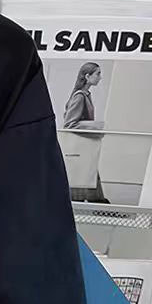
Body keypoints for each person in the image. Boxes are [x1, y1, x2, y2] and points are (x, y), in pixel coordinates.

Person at [62, 62, 108, 202]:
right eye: (97, 74)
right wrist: (96, 130)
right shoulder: (80, 97)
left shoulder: (85, 95)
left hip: (83, 146)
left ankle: (97, 204)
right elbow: (69, 124)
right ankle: (99, 205)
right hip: (81, 146)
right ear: (87, 76)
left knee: (87, 175)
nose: (100, 77)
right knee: (88, 175)